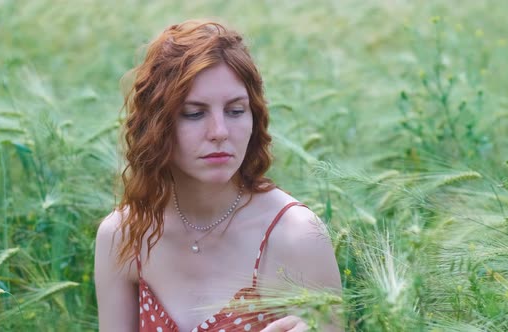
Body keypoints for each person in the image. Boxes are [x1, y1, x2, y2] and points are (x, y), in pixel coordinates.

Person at [94, 20, 342, 332]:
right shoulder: (123, 236)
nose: (220, 132)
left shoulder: (295, 237)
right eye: (194, 113)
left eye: (236, 110)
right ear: (155, 126)